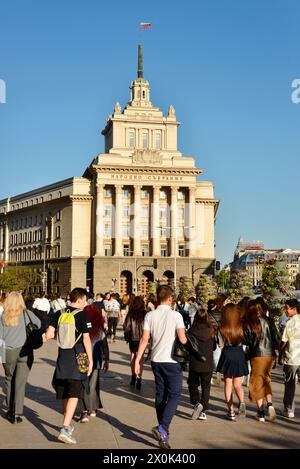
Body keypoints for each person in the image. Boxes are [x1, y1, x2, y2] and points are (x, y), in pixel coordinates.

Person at [135, 285, 187, 449]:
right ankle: (163, 427)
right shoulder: (176, 315)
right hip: (172, 361)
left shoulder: (150, 315)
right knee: (175, 394)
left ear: (158, 298)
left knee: (160, 394)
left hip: (156, 360)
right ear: (171, 299)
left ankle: (164, 434)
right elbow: (183, 339)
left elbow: (144, 340)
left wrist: (138, 360)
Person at [45, 288, 93, 444]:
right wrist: (90, 360)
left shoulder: (59, 313)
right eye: (84, 300)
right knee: (76, 389)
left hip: (62, 355)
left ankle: (67, 421)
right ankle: (65, 428)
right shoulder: (82, 315)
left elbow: (49, 335)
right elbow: (86, 340)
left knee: (65, 389)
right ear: (79, 300)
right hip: (79, 354)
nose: (85, 303)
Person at [0, 292, 41, 423]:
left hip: (8, 351)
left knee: (9, 378)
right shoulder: (27, 314)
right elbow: (39, 325)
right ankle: (17, 412)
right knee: (20, 382)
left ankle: (9, 408)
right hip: (25, 351)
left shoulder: (3, 316)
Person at [244, 299, 280, 422]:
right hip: (269, 354)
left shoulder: (250, 322)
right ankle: (269, 404)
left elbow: (247, 340)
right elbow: (277, 339)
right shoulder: (269, 321)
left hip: (257, 354)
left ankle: (260, 412)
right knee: (267, 379)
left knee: (257, 383)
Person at [217, 303, 248, 420]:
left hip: (227, 353)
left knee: (228, 384)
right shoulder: (242, 326)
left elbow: (220, 345)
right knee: (238, 384)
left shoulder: (222, 327)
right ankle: (242, 402)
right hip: (239, 353)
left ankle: (231, 411)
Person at [79, 302, 109, 422]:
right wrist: (106, 359)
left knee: (83, 384)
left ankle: (84, 411)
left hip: (82, 358)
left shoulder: (81, 327)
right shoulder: (99, 330)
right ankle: (92, 409)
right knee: (93, 385)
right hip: (96, 359)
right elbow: (104, 346)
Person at [187, 306, 215, 421]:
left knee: (192, 384)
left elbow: (188, 347)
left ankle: (196, 402)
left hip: (195, 362)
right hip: (208, 363)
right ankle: (203, 411)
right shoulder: (212, 331)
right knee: (206, 387)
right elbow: (213, 347)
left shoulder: (191, 331)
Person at [278, 299, 300, 418]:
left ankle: (289, 410)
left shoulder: (289, 323)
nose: (285, 311)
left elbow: (283, 341)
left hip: (291, 358)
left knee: (290, 385)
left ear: (293, 309)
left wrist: (280, 356)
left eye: (287, 308)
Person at [123, 296, 147, 389]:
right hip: (142, 338)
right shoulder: (145, 314)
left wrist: (127, 337)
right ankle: (139, 378)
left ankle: (133, 376)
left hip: (132, 338)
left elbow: (127, 326)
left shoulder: (130, 314)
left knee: (133, 356)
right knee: (140, 358)